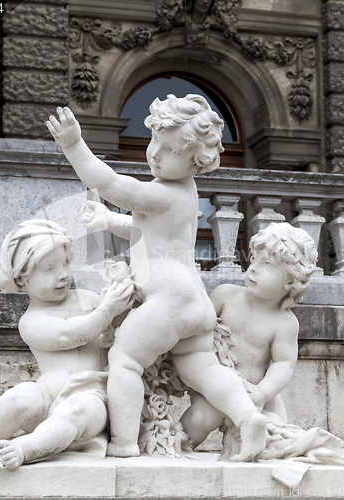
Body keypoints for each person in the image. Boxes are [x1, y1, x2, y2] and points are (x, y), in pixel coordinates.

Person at [47, 95, 268, 462]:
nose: (155, 154)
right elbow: (149, 231)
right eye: (154, 142)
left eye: (169, 149)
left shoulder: (163, 192)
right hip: (194, 301)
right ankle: (248, 417)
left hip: (168, 299)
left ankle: (124, 443)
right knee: (202, 367)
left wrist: (74, 145)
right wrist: (109, 221)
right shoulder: (184, 192)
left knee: (125, 359)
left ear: (194, 159)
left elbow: (112, 184)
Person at [0, 219, 134, 469]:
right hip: (46, 401)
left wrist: (124, 293)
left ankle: (26, 448)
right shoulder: (31, 321)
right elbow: (69, 335)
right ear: (21, 279)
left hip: (92, 398)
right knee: (17, 397)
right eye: (49, 268)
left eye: (66, 263)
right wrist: (107, 310)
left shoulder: (87, 300)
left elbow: (121, 326)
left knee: (77, 410)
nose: (63, 275)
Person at [180, 222, 318, 453]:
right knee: (199, 420)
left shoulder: (285, 323)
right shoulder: (226, 295)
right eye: (254, 259)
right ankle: (174, 450)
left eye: (266, 264)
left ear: (290, 281)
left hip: (259, 395)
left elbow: (284, 364)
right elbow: (198, 331)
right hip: (216, 390)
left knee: (276, 442)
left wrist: (263, 393)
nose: (253, 268)